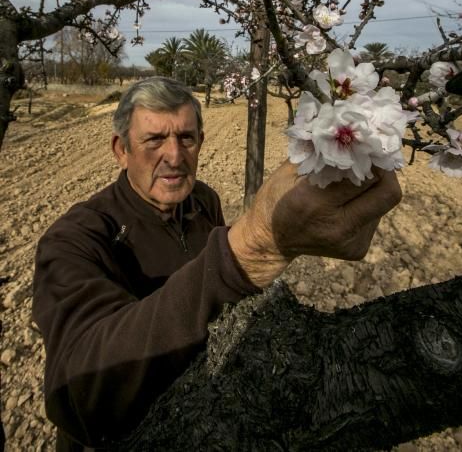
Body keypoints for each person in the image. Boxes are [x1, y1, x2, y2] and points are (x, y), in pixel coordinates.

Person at [32, 77, 402, 451]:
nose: (175, 157)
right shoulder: (75, 238)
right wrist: (253, 248)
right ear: (121, 150)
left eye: (186, 138)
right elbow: (83, 397)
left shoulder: (202, 200)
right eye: (154, 140)